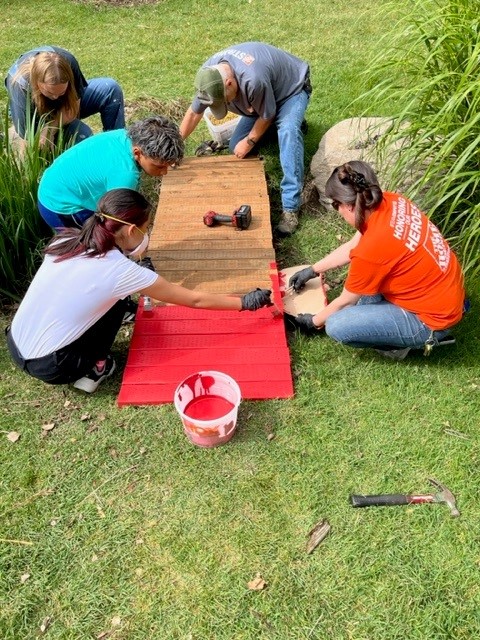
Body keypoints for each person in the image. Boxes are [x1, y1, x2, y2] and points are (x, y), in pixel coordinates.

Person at [5, 188, 273, 393]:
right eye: (146, 228)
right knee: (119, 301)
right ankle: (96, 367)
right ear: (131, 229)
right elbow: (196, 299)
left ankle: (99, 334)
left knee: (115, 298)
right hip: (52, 366)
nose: (148, 234)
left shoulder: (66, 239)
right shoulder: (120, 271)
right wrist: (245, 302)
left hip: (16, 340)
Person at [289, 161, 466, 361]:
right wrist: (313, 270)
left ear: (348, 205)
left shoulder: (372, 248)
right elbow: (352, 247)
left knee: (338, 325)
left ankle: (407, 343)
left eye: (336, 204)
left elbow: (345, 301)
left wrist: (313, 322)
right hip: (447, 293)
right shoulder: (392, 201)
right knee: (363, 297)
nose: (337, 211)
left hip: (432, 320)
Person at [179, 42, 312, 236]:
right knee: (235, 147)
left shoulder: (253, 80)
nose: (223, 105)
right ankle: (283, 121)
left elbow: (267, 115)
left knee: (288, 132)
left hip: (291, 90)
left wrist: (250, 141)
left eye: (224, 100)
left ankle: (291, 207)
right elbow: (193, 114)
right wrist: (175, 146)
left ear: (230, 83)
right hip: (256, 102)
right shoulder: (210, 79)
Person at [37, 116, 183, 229]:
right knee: (92, 248)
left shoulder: (126, 136)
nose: (164, 172)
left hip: (54, 184)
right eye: (159, 166)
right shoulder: (125, 174)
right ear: (138, 153)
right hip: (61, 206)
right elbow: (115, 221)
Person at [5, 46, 125, 147]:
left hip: (66, 107)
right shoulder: (20, 87)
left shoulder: (68, 61)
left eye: (61, 92)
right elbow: (28, 139)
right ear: (37, 84)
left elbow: (74, 107)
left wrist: (51, 129)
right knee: (83, 136)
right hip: (37, 117)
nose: (56, 97)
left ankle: (116, 147)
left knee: (110, 89)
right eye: (50, 93)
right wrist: (44, 136)